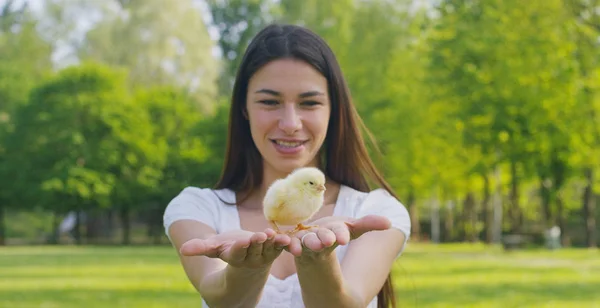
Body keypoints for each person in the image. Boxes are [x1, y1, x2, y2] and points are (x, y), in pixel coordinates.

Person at [163, 23, 411, 308]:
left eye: (309, 103)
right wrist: (249, 266)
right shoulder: (198, 209)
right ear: (244, 108)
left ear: (334, 109)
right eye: (269, 101)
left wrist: (316, 260)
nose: (290, 124)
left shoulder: (375, 213)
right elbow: (223, 298)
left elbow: (347, 303)